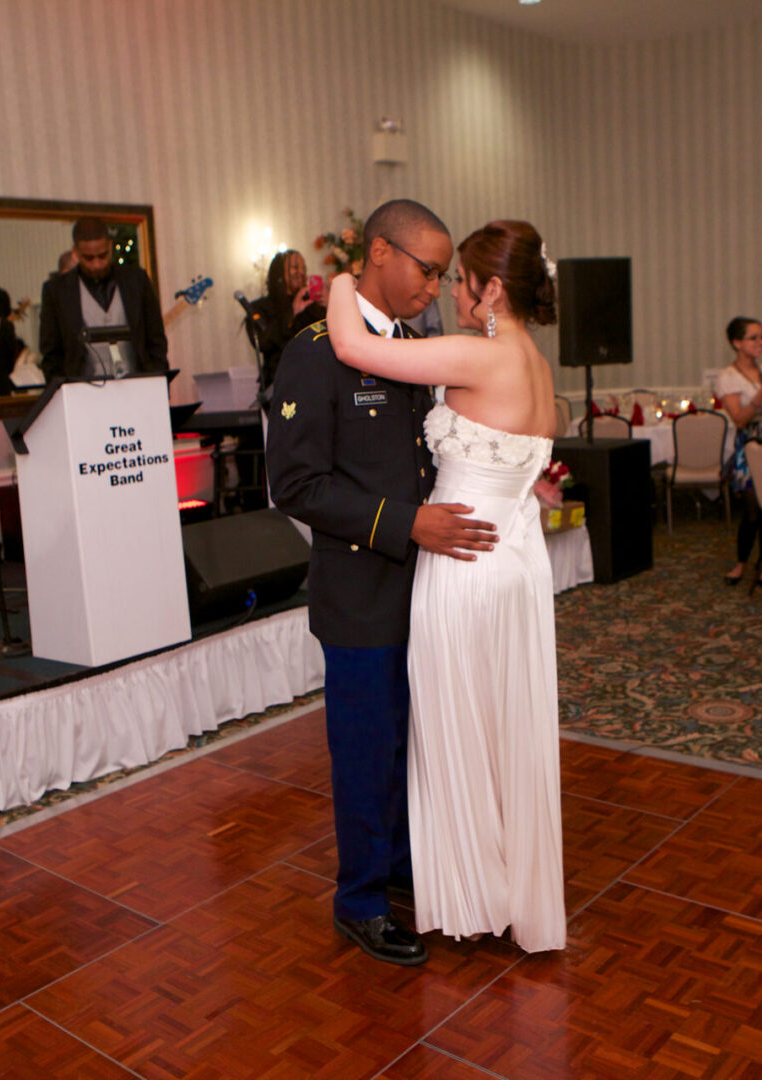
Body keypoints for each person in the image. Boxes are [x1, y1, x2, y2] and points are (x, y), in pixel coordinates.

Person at [265, 199, 498, 966]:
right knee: (365, 752)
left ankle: (399, 863)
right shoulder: (313, 351)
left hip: (423, 591)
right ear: (378, 254)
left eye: (441, 273)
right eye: (426, 269)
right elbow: (296, 485)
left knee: (412, 744)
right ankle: (359, 900)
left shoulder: (412, 344)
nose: (433, 285)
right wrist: (406, 524)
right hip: (362, 591)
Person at [324, 218, 566, 954]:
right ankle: (503, 884)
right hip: (515, 567)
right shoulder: (537, 364)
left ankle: (470, 891)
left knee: (458, 725)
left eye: (460, 279)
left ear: (493, 289)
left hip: (463, 569)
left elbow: (352, 345)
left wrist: (338, 277)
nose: (450, 292)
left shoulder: (481, 352)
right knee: (504, 728)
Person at [38, 217, 168, 381]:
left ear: (110, 246)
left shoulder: (137, 280)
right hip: (83, 394)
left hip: (138, 387)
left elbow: (156, 340)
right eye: (89, 258)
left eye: (102, 255)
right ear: (76, 252)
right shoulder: (56, 290)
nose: (97, 264)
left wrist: (157, 382)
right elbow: (51, 353)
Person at [716, 317, 762, 589]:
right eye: (754, 338)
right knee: (752, 509)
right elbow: (740, 419)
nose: (760, 343)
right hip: (750, 444)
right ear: (737, 343)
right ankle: (741, 563)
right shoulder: (728, 377)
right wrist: (761, 395)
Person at [248, 250, 323, 394]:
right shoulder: (259, 308)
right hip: (280, 385)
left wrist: (329, 305)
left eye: (304, 268)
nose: (301, 272)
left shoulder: (312, 306)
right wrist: (292, 312)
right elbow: (263, 341)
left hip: (315, 383)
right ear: (279, 273)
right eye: (295, 267)